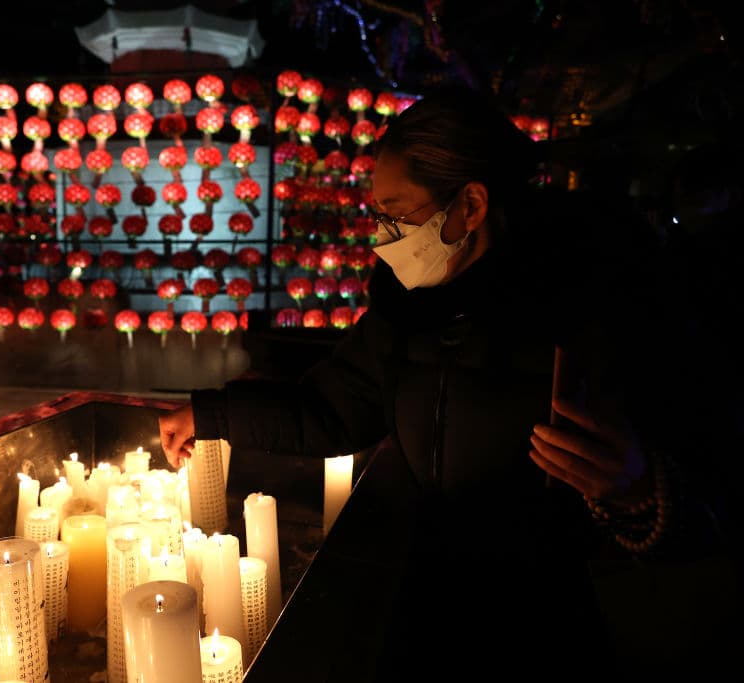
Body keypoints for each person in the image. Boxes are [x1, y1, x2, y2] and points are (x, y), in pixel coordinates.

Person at [158, 87, 739, 674]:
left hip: (552, 619)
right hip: (429, 597)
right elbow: (331, 409)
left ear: (471, 205)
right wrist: (211, 415)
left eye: (397, 212)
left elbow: (708, 472)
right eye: (378, 214)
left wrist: (639, 490)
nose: (383, 233)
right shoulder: (403, 315)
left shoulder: (602, 311)